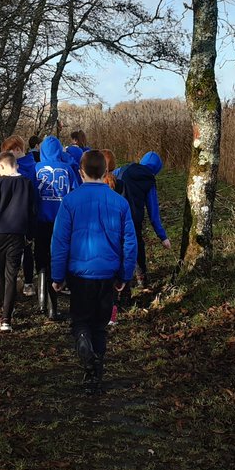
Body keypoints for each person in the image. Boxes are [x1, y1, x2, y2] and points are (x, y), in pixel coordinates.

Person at [50, 150, 137, 389]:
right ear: (106, 171)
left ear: (81, 172)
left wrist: (57, 276)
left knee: (80, 321)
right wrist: (124, 275)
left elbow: (59, 241)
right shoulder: (120, 202)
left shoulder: (70, 201)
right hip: (108, 274)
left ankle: (84, 351)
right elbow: (130, 242)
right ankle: (94, 375)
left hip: (79, 274)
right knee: (100, 326)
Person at [0, 151, 39, 332]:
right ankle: (6, 316)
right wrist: (30, 234)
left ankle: (5, 308)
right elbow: (32, 212)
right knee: (11, 273)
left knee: (1, 271)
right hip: (18, 233)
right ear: (17, 165)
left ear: (1, 166)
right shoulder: (27, 184)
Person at [34, 135, 77, 315]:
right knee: (59, 257)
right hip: (62, 221)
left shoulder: (36, 169)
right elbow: (76, 192)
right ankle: (55, 305)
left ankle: (42, 301)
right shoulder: (67, 170)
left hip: (41, 221)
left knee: (42, 258)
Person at [115, 151, 172, 288]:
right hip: (134, 220)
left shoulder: (122, 170)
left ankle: (123, 289)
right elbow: (154, 213)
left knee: (117, 249)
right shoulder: (149, 182)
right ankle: (141, 278)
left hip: (115, 216)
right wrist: (163, 237)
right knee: (136, 247)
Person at [2, 135, 37, 296]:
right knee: (23, 248)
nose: (7, 155)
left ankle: (27, 281)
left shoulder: (23, 167)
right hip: (23, 212)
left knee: (25, 248)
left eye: (9, 152)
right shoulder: (33, 164)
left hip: (24, 212)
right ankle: (25, 281)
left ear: (17, 150)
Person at [100, 148, 126, 325]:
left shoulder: (95, 185)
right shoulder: (121, 184)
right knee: (113, 276)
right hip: (116, 234)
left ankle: (98, 310)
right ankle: (112, 312)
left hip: (99, 234)